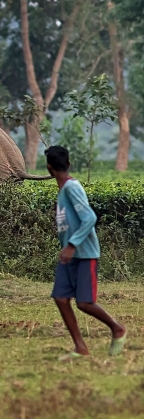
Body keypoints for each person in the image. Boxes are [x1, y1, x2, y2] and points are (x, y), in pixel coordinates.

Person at [46, 146, 127, 357]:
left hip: (84, 253)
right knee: (61, 298)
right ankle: (80, 348)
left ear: (49, 169)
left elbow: (90, 218)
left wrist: (72, 245)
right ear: (69, 164)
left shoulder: (72, 187)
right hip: (68, 254)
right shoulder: (63, 190)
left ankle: (117, 329)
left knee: (84, 303)